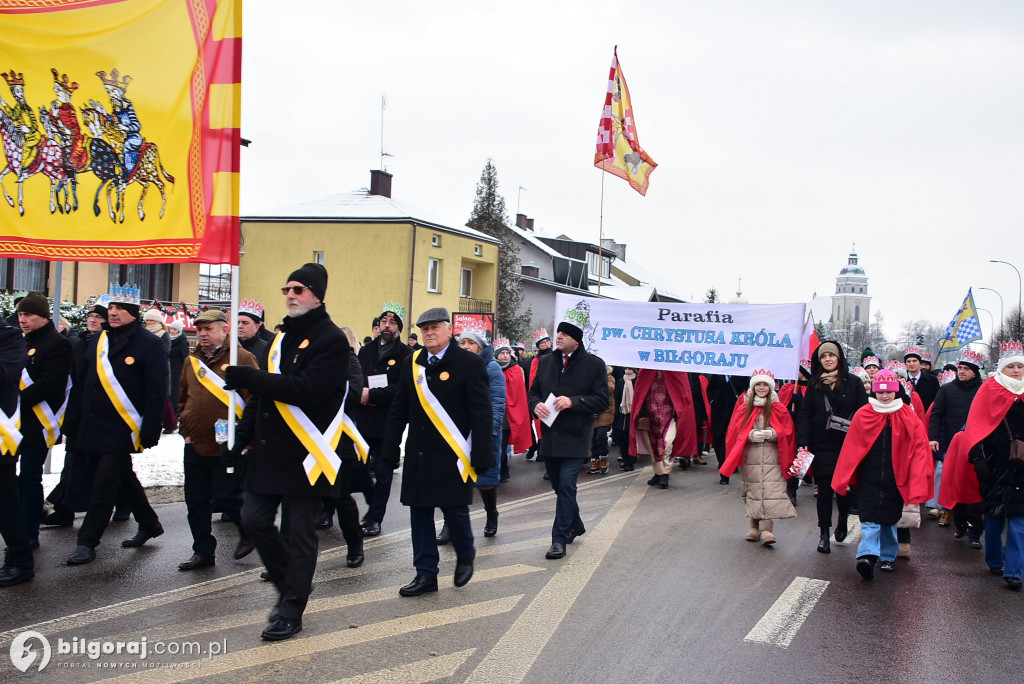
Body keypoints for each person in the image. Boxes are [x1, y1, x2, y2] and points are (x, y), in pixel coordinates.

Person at [223, 262, 351, 640]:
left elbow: (307, 390)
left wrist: (249, 377)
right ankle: (290, 585)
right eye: (288, 289)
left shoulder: (331, 340)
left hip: (308, 452)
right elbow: (263, 398)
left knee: (298, 533)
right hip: (269, 448)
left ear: (316, 295)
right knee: (255, 519)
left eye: (298, 289)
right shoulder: (281, 338)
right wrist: (241, 436)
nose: (291, 295)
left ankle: (291, 610)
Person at [381, 307, 494, 596]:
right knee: (419, 513)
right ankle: (425, 574)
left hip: (453, 453)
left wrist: (482, 454)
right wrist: (390, 448)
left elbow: (481, 413)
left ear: (448, 330)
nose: (429, 333)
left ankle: (465, 553)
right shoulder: (412, 363)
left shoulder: (469, 363)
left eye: (435, 327)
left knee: (454, 510)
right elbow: (398, 410)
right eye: (425, 328)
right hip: (419, 452)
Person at [64, 285, 168, 566]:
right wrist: (72, 418)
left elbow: (157, 391)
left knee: (104, 481)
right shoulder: (98, 342)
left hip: (123, 427)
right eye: (111, 308)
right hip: (93, 424)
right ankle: (149, 522)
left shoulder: (149, 343)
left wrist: (151, 428)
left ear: (133, 313)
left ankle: (87, 541)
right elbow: (82, 383)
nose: (113, 313)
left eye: (120, 309)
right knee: (121, 475)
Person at [176, 309, 259, 571]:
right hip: (196, 443)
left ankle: (248, 530)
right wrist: (185, 429)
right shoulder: (191, 361)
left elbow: (255, 399)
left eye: (208, 329)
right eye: (199, 329)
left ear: (224, 330)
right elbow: (183, 397)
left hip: (229, 444)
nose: (202, 334)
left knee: (227, 496)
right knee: (196, 501)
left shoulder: (242, 357)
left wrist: (248, 439)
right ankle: (202, 551)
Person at [832, 369, 934, 580]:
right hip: (869, 474)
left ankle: (887, 555)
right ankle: (867, 556)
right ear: (875, 392)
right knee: (869, 516)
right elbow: (851, 448)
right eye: (880, 392)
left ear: (895, 392)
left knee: (889, 517)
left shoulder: (907, 414)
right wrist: (847, 476)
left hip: (896, 475)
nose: (884, 396)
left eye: (888, 393)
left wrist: (917, 475)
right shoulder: (864, 413)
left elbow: (919, 446)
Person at [939, 340, 1024, 591]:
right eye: (1012, 367)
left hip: (1022, 468)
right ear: (1002, 369)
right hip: (995, 464)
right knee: (994, 518)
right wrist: (977, 458)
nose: (1017, 371)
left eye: (1021, 366)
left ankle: (1014, 572)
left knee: (1019, 522)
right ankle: (995, 560)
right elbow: (974, 427)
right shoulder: (990, 389)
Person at [528, 312, 609, 560]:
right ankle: (576, 523)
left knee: (566, 485)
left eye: (564, 333)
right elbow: (533, 393)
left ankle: (558, 540)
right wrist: (536, 405)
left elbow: (602, 400)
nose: (559, 337)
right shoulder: (545, 362)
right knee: (557, 484)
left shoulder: (594, 364)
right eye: (558, 333)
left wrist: (574, 402)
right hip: (550, 435)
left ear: (577, 339)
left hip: (576, 436)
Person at [797, 340, 868, 554]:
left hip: (847, 444)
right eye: (824, 357)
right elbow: (806, 414)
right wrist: (803, 441)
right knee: (825, 490)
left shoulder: (853, 382)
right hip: (821, 443)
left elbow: (864, 411)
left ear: (839, 358)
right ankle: (823, 534)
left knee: (844, 489)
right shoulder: (814, 384)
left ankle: (842, 519)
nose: (828, 359)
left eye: (832, 356)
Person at [16, 292, 73, 549]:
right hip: (13, 422)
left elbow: (50, 384)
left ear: (42, 317)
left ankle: (29, 532)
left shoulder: (57, 343)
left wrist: (14, 400)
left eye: (27, 315)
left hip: (37, 422)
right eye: (20, 314)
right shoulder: (20, 341)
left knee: (29, 476)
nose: (22, 319)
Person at [720, 369, 797, 546]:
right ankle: (754, 527)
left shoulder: (778, 408)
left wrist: (772, 433)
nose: (762, 388)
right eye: (758, 384)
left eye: (765, 385)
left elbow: (787, 431)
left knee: (770, 491)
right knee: (754, 491)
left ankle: (767, 530)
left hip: (773, 457)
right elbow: (735, 431)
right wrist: (750, 435)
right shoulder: (744, 407)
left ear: (771, 388)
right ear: (753, 387)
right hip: (751, 457)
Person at [357, 303, 413, 538]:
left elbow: (402, 388)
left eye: (392, 323)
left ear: (399, 328)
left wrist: (374, 395)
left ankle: (375, 517)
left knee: (383, 470)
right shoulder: (366, 350)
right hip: (363, 417)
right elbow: (356, 375)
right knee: (356, 467)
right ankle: (370, 502)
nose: (387, 326)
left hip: (389, 420)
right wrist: (359, 391)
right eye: (383, 322)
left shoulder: (406, 355)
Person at [315, 325, 366, 570]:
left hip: (339, 437)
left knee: (340, 496)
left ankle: (355, 544)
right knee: (302, 500)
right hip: (312, 437)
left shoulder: (350, 361)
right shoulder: (317, 358)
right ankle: (291, 558)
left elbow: (355, 392)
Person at [448, 327, 504, 538]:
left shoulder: (492, 368)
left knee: (485, 480)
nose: (465, 347)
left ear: (480, 346)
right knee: (454, 480)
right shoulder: (454, 366)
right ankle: (450, 524)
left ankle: (491, 514)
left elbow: (497, 401)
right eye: (462, 343)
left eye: (470, 343)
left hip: (483, 431)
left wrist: (491, 431)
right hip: (458, 432)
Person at [927, 348, 983, 535]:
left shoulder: (983, 390)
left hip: (978, 446)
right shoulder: (947, 389)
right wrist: (933, 437)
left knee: (975, 486)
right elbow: (936, 415)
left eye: (967, 368)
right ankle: (957, 520)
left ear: (975, 371)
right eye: (960, 368)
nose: (962, 371)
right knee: (954, 483)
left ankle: (974, 528)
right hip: (953, 445)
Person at [0, 316, 32, 587]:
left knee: (6, 501)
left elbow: (4, 374)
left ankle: (21, 562)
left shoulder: (9, 337)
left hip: (1, 437)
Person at [630, 369, 697, 487]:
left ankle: (665, 474)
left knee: (667, 443)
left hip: (670, 414)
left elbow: (686, 389)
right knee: (652, 445)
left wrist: (680, 410)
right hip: (650, 414)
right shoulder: (647, 369)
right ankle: (658, 473)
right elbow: (640, 389)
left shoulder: (678, 369)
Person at [494, 338, 531, 483]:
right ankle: (500, 470)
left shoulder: (516, 370)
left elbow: (519, 393)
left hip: (509, 414)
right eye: (502, 353)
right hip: (496, 412)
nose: (504, 356)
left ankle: (502, 470)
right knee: (497, 446)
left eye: (506, 353)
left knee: (502, 445)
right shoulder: (490, 368)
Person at [708, 374, 750, 484]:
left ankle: (725, 471)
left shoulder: (742, 374)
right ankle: (723, 462)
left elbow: (748, 390)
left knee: (728, 440)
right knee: (717, 439)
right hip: (718, 410)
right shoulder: (717, 374)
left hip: (735, 411)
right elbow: (709, 389)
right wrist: (712, 400)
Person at [588, 366, 616, 474]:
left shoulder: (609, 378)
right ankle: (595, 460)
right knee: (593, 437)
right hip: (593, 409)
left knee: (601, 435)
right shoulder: (589, 377)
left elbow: (609, 389)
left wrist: (599, 381)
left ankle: (604, 458)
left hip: (605, 409)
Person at [167, 319, 189, 421]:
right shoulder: (168, 340)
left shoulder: (182, 342)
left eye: (174, 329)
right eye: (171, 328)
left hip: (177, 372)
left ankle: (175, 416)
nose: (172, 331)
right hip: (169, 371)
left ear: (179, 331)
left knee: (175, 394)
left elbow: (185, 358)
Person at [236, 299, 269, 363]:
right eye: (238, 322)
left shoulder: (266, 349)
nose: (240, 326)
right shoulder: (229, 348)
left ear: (256, 327)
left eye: (245, 323)